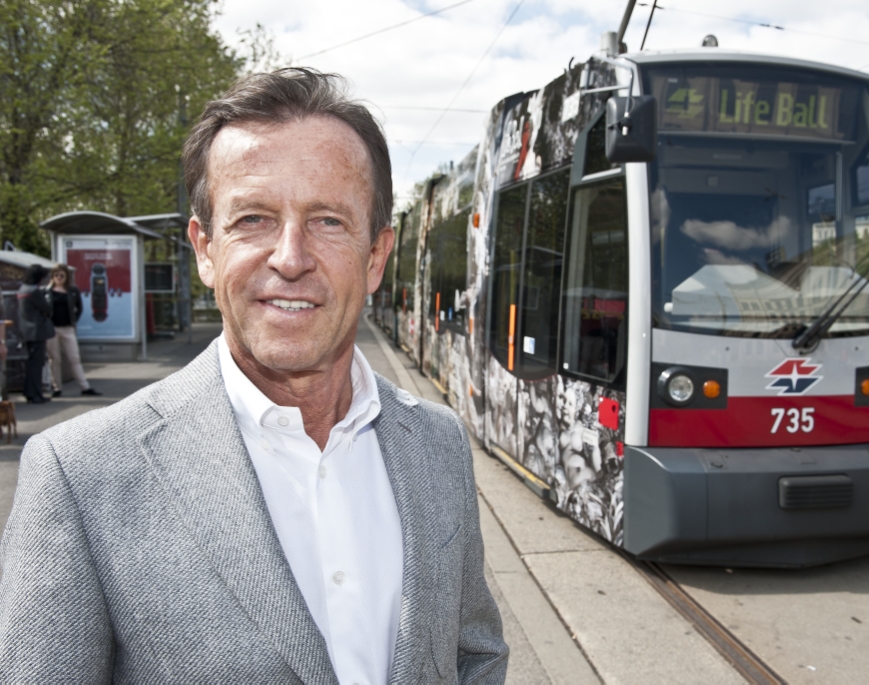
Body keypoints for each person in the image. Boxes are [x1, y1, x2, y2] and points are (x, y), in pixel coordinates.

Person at [0, 68, 508, 683]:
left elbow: (476, 655)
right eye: (252, 219)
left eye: (327, 220)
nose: (290, 258)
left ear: (375, 256)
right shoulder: (79, 475)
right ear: (206, 250)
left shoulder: (439, 442)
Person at [45, 264, 101, 398]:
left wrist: (73, 320)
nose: (59, 278)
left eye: (62, 275)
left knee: (74, 357)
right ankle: (57, 387)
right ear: (52, 277)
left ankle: (85, 387)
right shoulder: (47, 291)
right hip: (52, 328)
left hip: (67, 328)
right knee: (55, 359)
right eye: (56, 275)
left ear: (66, 277)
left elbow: (79, 308)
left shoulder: (72, 290)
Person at [16, 264, 55, 404]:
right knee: (36, 364)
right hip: (37, 330)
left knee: (32, 363)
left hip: (27, 330)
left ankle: (30, 392)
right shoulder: (35, 291)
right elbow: (47, 308)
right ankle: (35, 394)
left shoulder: (23, 289)